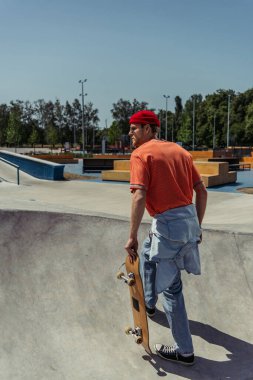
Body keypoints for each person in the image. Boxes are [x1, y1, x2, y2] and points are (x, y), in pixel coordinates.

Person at [125, 110, 207, 366]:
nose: (130, 134)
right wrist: (197, 228)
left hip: (169, 228)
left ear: (149, 129)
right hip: (187, 223)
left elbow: (139, 196)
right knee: (150, 250)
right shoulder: (181, 152)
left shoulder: (141, 154)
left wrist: (131, 238)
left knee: (172, 290)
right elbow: (202, 192)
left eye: (135, 129)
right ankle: (149, 301)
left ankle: (185, 351)